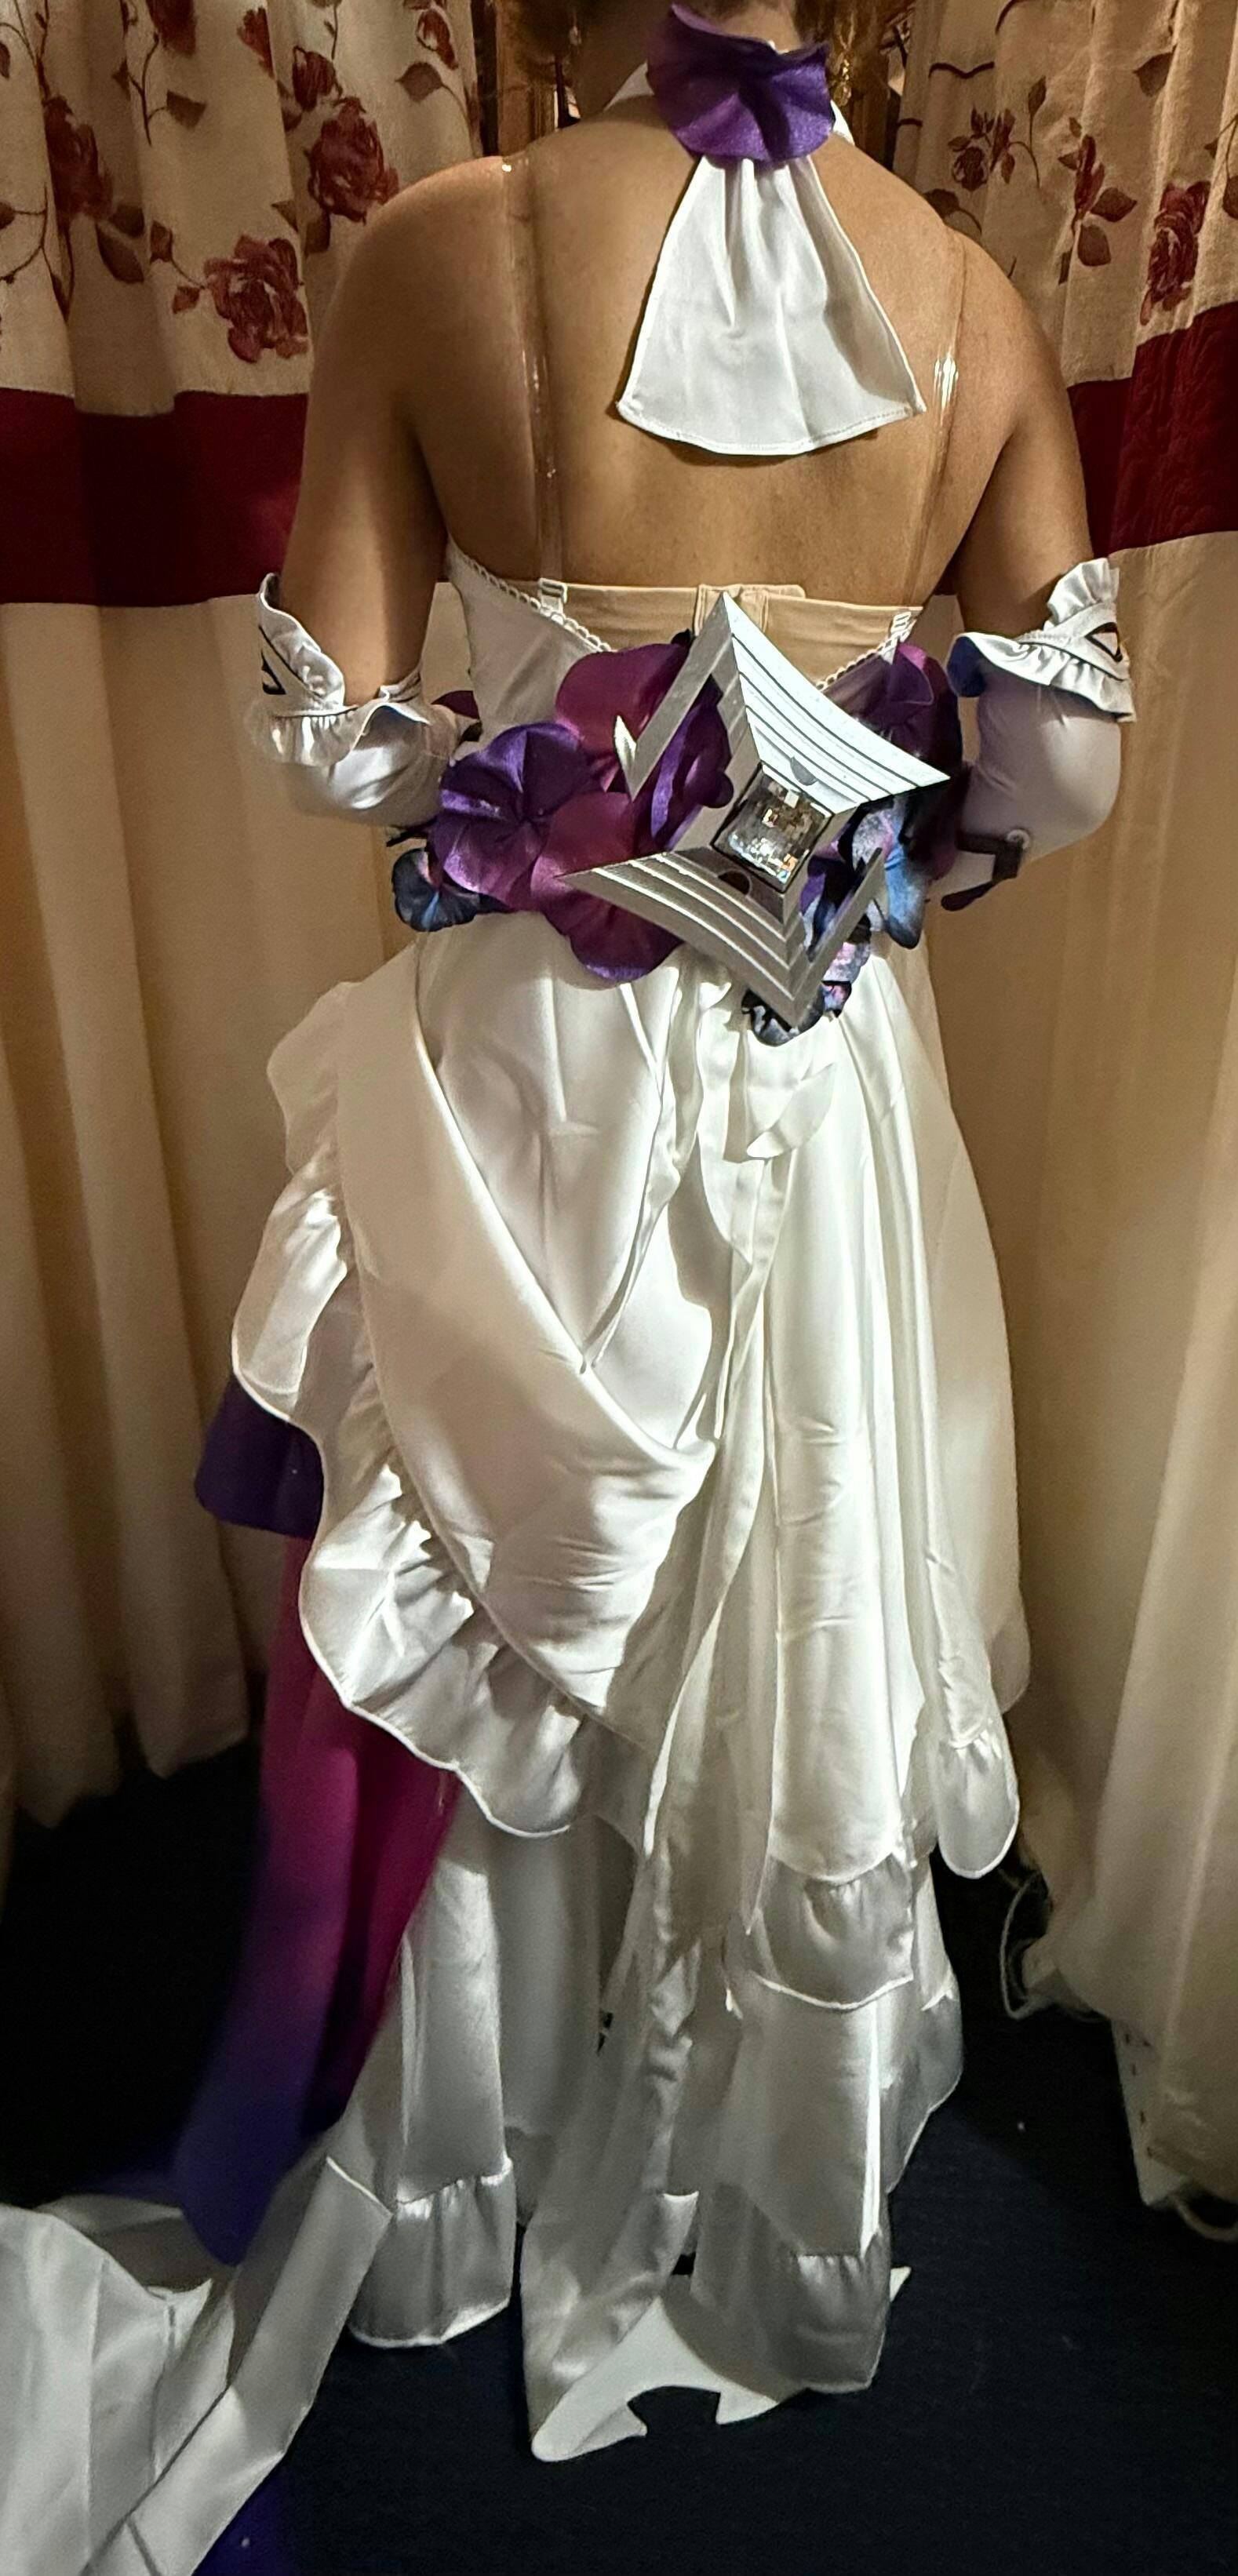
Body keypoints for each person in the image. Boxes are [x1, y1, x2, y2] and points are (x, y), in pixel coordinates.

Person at [0, 5, 1133, 2568]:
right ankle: (752, 2169)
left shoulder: (442, 247)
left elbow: (325, 731)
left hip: (526, 1062)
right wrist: (883, 839)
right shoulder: (965, 293)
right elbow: (1063, 766)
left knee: (493, 1575)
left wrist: (520, 782)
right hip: (820, 1064)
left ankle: (454, 2164)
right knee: (779, 1557)